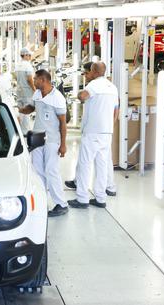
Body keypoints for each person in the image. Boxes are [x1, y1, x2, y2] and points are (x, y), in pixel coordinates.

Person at [68, 62, 119, 209]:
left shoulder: (94, 85)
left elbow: (83, 97)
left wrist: (79, 93)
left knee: (85, 164)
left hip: (92, 132)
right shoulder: (113, 87)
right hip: (106, 132)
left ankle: (82, 199)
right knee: (102, 166)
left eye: (89, 71)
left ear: (94, 71)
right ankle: (100, 198)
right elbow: (116, 111)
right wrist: (110, 127)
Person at [19, 70, 68, 217]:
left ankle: (61, 204)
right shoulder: (38, 94)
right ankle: (41, 201)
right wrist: (20, 110)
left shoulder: (57, 98)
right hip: (37, 138)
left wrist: (63, 144)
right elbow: (32, 108)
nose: (33, 81)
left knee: (51, 171)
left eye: (35, 79)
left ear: (43, 80)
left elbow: (63, 123)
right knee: (38, 171)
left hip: (53, 139)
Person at [15, 47, 36, 134]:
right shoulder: (27, 65)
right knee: (27, 111)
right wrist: (34, 89)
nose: (30, 57)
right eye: (29, 55)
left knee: (20, 111)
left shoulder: (18, 65)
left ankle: (18, 130)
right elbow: (29, 79)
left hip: (19, 91)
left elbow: (16, 78)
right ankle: (26, 132)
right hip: (27, 92)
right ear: (25, 55)